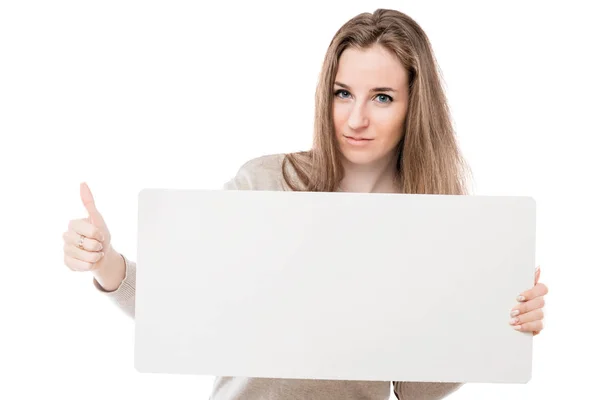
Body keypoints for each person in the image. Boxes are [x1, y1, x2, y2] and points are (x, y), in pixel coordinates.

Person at [62, 8, 548, 400]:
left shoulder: (434, 220)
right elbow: (183, 307)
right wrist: (106, 263)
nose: (356, 118)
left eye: (381, 97)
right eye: (343, 93)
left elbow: (414, 389)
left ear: (413, 106)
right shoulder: (265, 182)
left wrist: (497, 328)